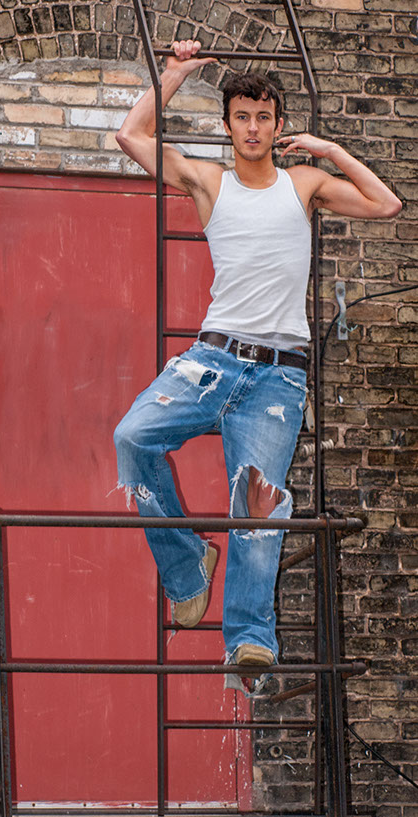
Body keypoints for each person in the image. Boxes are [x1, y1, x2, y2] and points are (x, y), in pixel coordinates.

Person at [113, 40, 401, 689]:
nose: (251, 127)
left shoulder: (304, 184)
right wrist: (176, 73)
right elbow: (131, 136)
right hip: (211, 359)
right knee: (132, 437)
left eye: (262, 117)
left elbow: (385, 204)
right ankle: (187, 569)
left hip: (278, 374)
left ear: (277, 125)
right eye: (241, 117)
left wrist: (329, 151)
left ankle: (247, 638)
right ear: (227, 125)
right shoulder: (208, 181)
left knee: (256, 500)